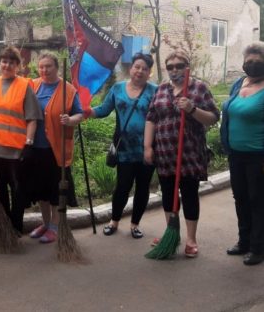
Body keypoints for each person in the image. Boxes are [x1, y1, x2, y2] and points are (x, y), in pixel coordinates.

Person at [144, 50, 219, 258]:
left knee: (189, 195)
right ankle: (171, 233)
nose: (175, 70)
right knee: (168, 195)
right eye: (170, 67)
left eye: (180, 65)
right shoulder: (160, 90)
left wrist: (192, 109)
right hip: (165, 154)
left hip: (190, 154)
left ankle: (191, 239)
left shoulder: (199, 88)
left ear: (188, 66)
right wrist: (147, 147)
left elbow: (213, 117)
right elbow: (151, 118)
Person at [87, 53, 157, 239]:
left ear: (149, 72)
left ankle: (135, 225)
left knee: (143, 188)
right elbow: (103, 110)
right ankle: (114, 221)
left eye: (144, 68)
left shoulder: (155, 91)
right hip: (124, 149)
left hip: (148, 150)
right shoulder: (118, 89)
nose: (140, 71)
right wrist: (87, 111)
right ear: (131, 67)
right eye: (137, 67)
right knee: (122, 187)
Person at [26, 53, 83, 244]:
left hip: (56, 149)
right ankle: (45, 222)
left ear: (57, 67)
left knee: (55, 190)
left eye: (48, 66)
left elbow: (80, 115)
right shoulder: (32, 86)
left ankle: (55, 226)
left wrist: (70, 120)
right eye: (41, 67)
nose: (44, 70)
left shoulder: (68, 90)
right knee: (41, 190)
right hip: (36, 147)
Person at [0, 46, 42, 233]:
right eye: (4, 61)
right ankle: (5, 225)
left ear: (18, 65)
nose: (7, 65)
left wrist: (29, 143)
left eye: (11, 62)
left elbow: (32, 118)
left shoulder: (25, 85)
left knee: (18, 190)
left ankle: (16, 226)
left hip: (16, 150)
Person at [221, 43, 264, 266]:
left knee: (258, 200)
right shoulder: (239, 83)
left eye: (257, 58)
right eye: (249, 58)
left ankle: (258, 247)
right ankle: (244, 241)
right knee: (241, 199)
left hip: (259, 156)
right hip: (236, 154)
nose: (252, 62)